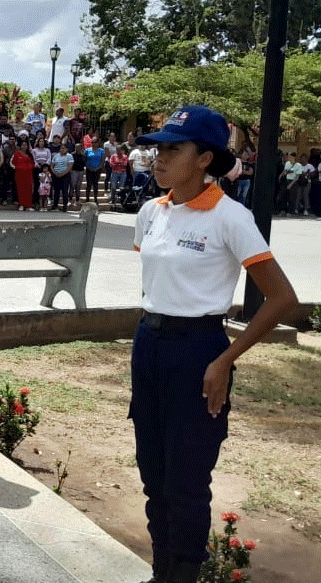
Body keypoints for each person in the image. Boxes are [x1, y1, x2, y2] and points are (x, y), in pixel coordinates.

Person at [129, 106, 298, 583]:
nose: (160, 158)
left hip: (198, 350)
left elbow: (282, 297)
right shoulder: (151, 211)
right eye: (158, 148)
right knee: (152, 473)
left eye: (173, 149)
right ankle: (161, 571)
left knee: (186, 479)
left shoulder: (230, 216)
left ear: (204, 158)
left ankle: (182, 575)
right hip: (149, 344)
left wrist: (226, 358)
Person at [10, 138, 35, 211]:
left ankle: (28, 205)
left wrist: (30, 167)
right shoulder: (16, 154)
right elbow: (11, 163)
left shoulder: (30, 154)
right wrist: (17, 168)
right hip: (19, 174)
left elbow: (33, 163)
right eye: (23, 145)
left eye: (25, 145)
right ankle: (21, 204)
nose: (24, 146)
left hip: (28, 174)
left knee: (29, 190)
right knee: (20, 189)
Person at [50, 143, 74, 211]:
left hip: (65, 175)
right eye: (61, 148)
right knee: (56, 191)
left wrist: (63, 173)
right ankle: (55, 205)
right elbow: (52, 165)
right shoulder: (56, 156)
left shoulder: (69, 156)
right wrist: (54, 173)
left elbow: (70, 166)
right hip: (56, 175)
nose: (62, 150)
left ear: (67, 149)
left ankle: (65, 205)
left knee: (64, 191)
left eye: (64, 148)